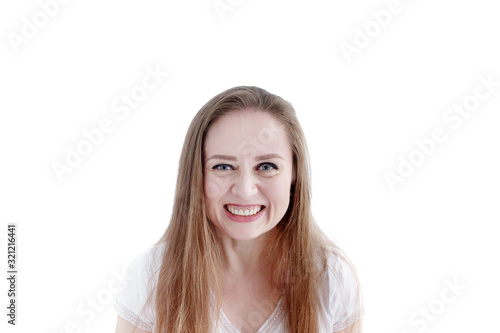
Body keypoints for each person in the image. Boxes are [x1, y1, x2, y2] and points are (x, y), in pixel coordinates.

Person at [113, 86, 364, 333]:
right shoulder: (151, 275)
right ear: (196, 175)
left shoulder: (332, 276)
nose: (245, 190)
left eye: (266, 166)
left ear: (294, 176)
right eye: (222, 167)